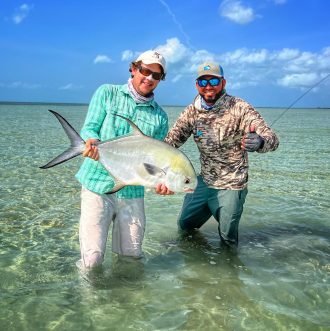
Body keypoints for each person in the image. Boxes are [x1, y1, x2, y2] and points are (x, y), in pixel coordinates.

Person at [156, 62, 279, 247]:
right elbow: (170, 143)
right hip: (204, 180)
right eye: (203, 82)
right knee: (185, 226)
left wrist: (260, 142)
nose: (208, 86)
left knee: (227, 239)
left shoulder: (239, 107)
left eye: (213, 80)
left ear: (223, 82)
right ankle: (195, 267)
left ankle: (227, 273)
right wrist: (154, 169)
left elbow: (272, 138)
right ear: (197, 85)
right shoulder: (192, 112)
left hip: (232, 183)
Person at [75, 50, 168, 269]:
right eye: (146, 71)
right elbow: (90, 127)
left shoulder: (160, 117)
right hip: (97, 184)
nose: (150, 78)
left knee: (132, 256)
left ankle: (126, 302)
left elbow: (155, 162)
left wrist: (163, 183)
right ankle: (89, 300)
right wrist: (91, 141)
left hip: (133, 192)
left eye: (157, 76)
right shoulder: (107, 93)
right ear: (134, 69)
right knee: (92, 259)